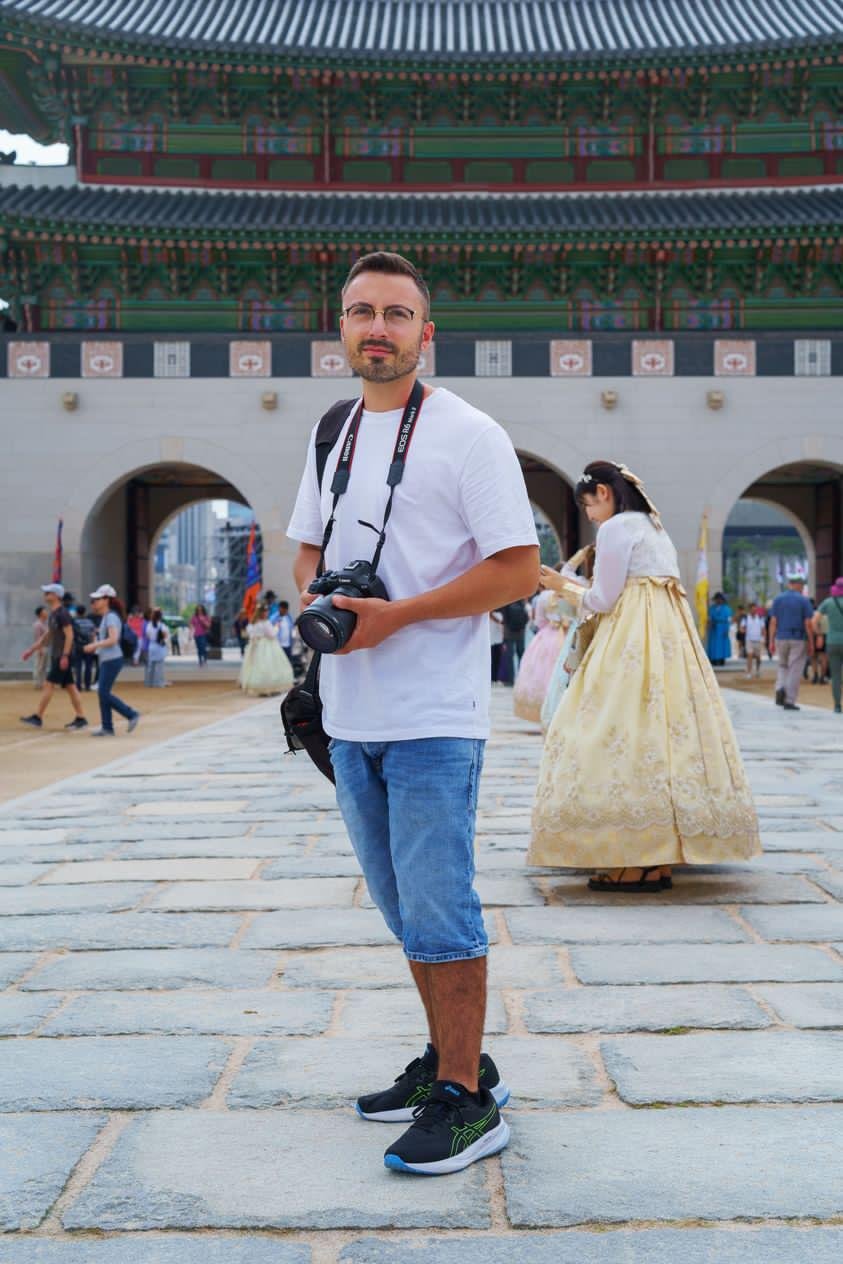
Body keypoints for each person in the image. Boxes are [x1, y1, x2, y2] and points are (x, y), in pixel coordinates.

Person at [288, 250, 538, 1176]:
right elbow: (305, 549)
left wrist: (397, 616)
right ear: (341, 330)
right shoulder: (332, 432)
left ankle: (470, 1103)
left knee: (440, 910)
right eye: (361, 312)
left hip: (434, 712)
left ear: (425, 335)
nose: (377, 329)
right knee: (401, 910)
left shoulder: (469, 434)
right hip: (350, 715)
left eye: (396, 314)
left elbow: (515, 569)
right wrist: (328, 612)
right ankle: (450, 1058)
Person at [531, 460, 760, 892]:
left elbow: (602, 598)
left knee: (613, 730)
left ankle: (629, 860)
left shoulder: (616, 528)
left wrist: (559, 585)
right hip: (670, 638)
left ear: (603, 492)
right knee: (663, 736)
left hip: (631, 636)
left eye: (588, 506)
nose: (590, 515)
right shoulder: (654, 527)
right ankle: (657, 861)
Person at [20, 583, 88, 730]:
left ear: (56, 596)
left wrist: (65, 655)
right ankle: (81, 717)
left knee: (49, 684)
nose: (45, 595)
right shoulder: (54, 614)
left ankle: (38, 716)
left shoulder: (63, 614)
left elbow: (70, 635)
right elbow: (48, 635)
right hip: (59, 655)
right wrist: (31, 650)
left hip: (62, 656)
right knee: (71, 687)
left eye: (48, 593)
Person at [83, 584, 141, 736]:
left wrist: (94, 645)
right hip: (108, 659)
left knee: (103, 692)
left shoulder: (111, 617)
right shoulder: (107, 617)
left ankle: (131, 714)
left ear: (106, 600)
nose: (93, 602)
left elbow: (113, 639)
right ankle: (107, 727)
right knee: (103, 692)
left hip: (112, 659)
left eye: (97, 599)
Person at [512, 587, 573, 724]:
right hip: (567, 636)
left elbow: (539, 621)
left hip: (547, 636)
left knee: (541, 670)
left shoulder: (543, 597)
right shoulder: (572, 591)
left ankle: (543, 709)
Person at [769, 574, 815, 711]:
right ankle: (789, 700)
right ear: (799, 585)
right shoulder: (804, 601)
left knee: (782, 665)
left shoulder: (778, 599)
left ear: (789, 584)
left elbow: (773, 622)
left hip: (780, 637)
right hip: (797, 638)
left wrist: (771, 641)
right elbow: (808, 623)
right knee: (795, 668)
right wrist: (811, 642)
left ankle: (780, 687)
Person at [239, 603, 293, 696]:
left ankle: (257, 686)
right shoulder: (265, 623)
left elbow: (250, 633)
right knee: (269, 666)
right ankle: (268, 687)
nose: (267, 613)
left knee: (256, 666)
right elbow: (272, 634)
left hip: (255, 646)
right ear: (262, 613)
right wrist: (277, 626)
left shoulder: (252, 623)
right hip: (267, 646)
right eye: (266, 611)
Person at [815, 577, 843, 714]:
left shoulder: (828, 602)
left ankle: (837, 705)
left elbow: (815, 620)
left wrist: (819, 634)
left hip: (832, 642)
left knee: (836, 676)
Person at [500, 598, 529, 680]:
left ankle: (510, 679)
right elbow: (526, 617)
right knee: (521, 655)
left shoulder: (507, 602)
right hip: (520, 633)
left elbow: (504, 620)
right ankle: (522, 678)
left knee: (509, 656)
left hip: (509, 633)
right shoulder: (521, 601)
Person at [72, 604, 97, 692]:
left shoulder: (74, 622)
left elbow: (72, 635)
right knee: (88, 667)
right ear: (84, 612)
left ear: (76, 612)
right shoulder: (90, 622)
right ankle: (87, 685)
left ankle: (78, 686)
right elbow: (93, 634)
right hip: (89, 646)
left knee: (78, 667)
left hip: (78, 646)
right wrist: (94, 645)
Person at [144, 608, 170, 688]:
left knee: (150, 666)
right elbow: (165, 636)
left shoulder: (149, 625)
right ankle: (159, 683)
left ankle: (149, 683)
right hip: (159, 647)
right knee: (159, 667)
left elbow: (147, 636)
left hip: (151, 646)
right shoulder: (162, 625)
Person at [706, 591, 732, 665]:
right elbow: (710, 618)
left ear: (722, 600)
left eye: (720, 599)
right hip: (714, 628)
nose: (718, 600)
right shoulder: (712, 608)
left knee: (722, 644)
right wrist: (710, 624)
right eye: (717, 599)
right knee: (713, 644)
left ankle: (721, 659)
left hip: (723, 627)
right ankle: (713, 659)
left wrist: (727, 629)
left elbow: (729, 620)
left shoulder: (726, 609)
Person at [744, 606, 766, 678]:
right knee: (749, 656)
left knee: (758, 657)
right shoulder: (746, 618)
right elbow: (742, 628)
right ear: (750, 610)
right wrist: (744, 631)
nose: (754, 611)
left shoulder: (760, 618)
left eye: (755, 610)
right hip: (749, 640)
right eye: (752, 609)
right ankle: (749, 672)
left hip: (758, 640)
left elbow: (763, 629)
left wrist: (763, 638)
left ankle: (757, 670)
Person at [30, 606, 49, 689]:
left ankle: (42, 683)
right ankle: (37, 683)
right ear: (41, 613)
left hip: (46, 647)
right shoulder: (37, 624)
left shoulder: (45, 624)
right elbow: (37, 638)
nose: (46, 612)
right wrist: (39, 648)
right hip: (41, 647)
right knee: (39, 666)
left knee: (44, 666)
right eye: (45, 611)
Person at [275, 600, 295, 665]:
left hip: (288, 645)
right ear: (280, 608)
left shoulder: (289, 617)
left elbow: (292, 628)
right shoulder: (274, 618)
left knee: (287, 663)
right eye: (283, 609)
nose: (285, 611)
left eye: (286, 610)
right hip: (278, 645)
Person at [489, 609, 504, 682]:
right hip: (491, 641)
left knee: (497, 660)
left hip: (498, 640)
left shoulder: (500, 615)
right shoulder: (487, 616)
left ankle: (495, 678)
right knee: (491, 660)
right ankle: (492, 678)